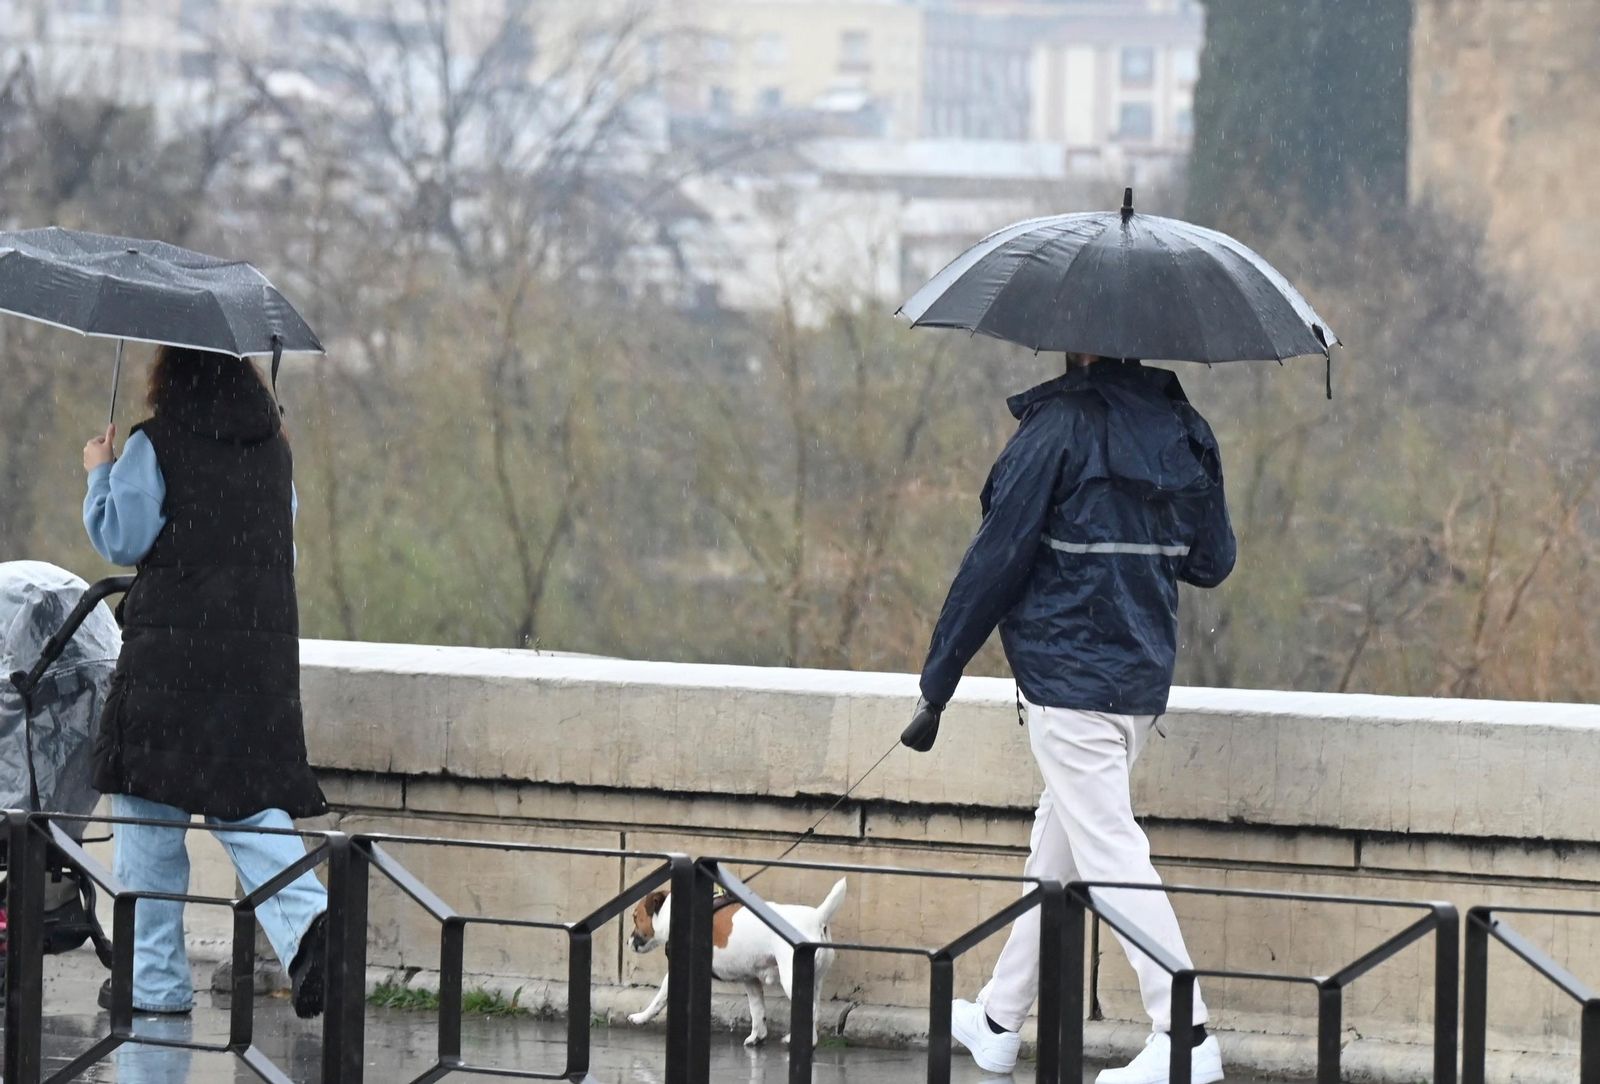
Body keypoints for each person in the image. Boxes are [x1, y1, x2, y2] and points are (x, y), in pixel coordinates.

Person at [904, 355, 1235, 1083]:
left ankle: (1187, 1033)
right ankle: (998, 1018)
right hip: (1139, 683)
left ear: (1073, 343)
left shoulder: (1056, 428)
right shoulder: (1186, 429)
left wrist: (938, 680)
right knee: (1058, 848)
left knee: (1110, 849)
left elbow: (994, 561)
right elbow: (1213, 561)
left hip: (1066, 678)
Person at [81, 345, 329, 1018]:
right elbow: (285, 541)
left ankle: (154, 985)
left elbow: (122, 537)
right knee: (248, 804)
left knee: (148, 824)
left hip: (169, 663)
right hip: (255, 665)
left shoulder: (155, 444)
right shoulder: (274, 451)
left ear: (171, 378)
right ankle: (311, 925)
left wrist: (100, 474)